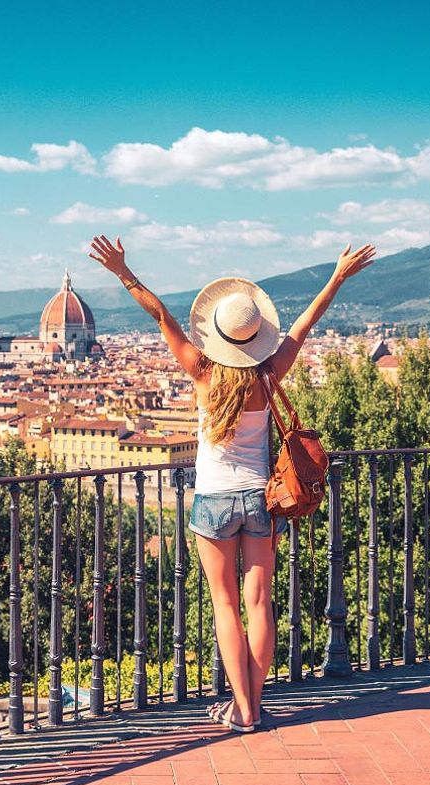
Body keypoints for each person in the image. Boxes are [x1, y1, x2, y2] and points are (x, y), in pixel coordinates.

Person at [88, 235, 375, 732]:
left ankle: (242, 710)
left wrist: (123, 273)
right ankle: (254, 705)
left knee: (225, 606)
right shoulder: (269, 375)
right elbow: (307, 323)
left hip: (214, 500)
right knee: (260, 602)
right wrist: (337, 277)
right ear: (256, 335)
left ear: (217, 335)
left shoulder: (201, 372)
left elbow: (161, 317)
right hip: (262, 499)